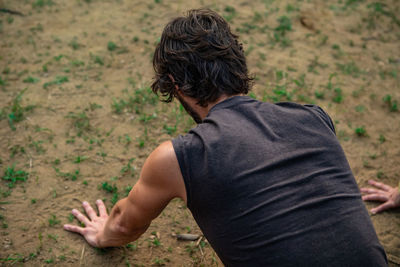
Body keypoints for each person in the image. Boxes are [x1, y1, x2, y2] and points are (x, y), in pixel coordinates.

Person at [64, 8, 388, 266]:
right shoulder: (314, 117)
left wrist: (102, 234)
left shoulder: (180, 158)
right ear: (237, 64)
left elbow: (123, 226)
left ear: (175, 87)